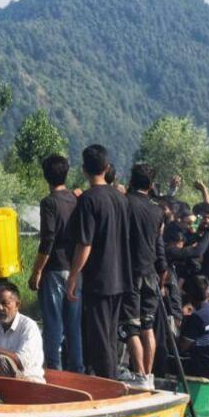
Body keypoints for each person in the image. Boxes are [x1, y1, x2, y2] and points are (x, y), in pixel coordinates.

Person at [65, 144, 133, 380]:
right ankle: (109, 379)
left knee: (99, 337)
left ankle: (109, 386)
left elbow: (85, 244)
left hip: (100, 277)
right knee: (110, 334)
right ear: (106, 168)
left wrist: (73, 276)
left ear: (84, 170)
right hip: (122, 275)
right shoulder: (121, 199)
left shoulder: (88, 200)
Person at [28, 154, 82, 372]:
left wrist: (37, 271)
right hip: (75, 268)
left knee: (53, 323)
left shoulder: (49, 202)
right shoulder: (76, 200)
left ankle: (53, 369)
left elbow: (48, 238)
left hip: (55, 268)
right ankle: (77, 370)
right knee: (73, 325)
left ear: (45, 176)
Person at [123, 163, 166, 389]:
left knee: (131, 326)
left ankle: (139, 374)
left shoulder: (126, 204)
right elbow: (158, 243)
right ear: (151, 185)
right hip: (151, 272)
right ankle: (148, 375)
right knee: (148, 326)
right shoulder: (158, 211)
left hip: (131, 272)